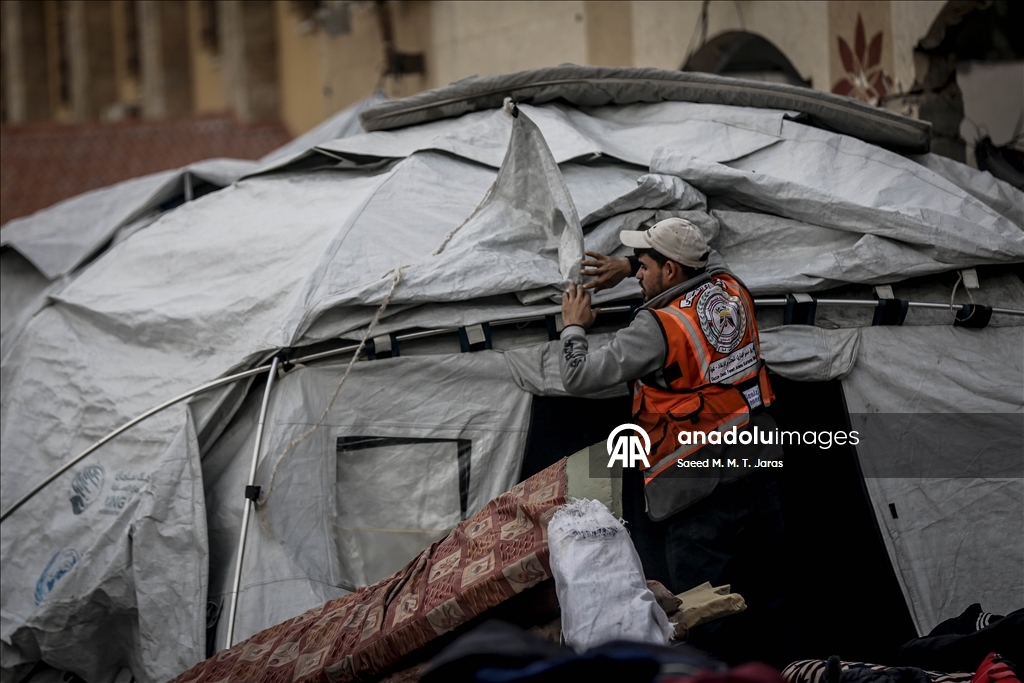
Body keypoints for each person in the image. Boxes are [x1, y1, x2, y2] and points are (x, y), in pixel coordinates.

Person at [559, 217, 787, 664]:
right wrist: (626, 265)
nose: (637, 275)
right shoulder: (731, 287)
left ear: (670, 271)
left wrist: (574, 326)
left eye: (644, 267)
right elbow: (702, 254)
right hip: (757, 472)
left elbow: (578, 376)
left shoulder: (657, 327)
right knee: (772, 604)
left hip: (695, 495)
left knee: (703, 620)